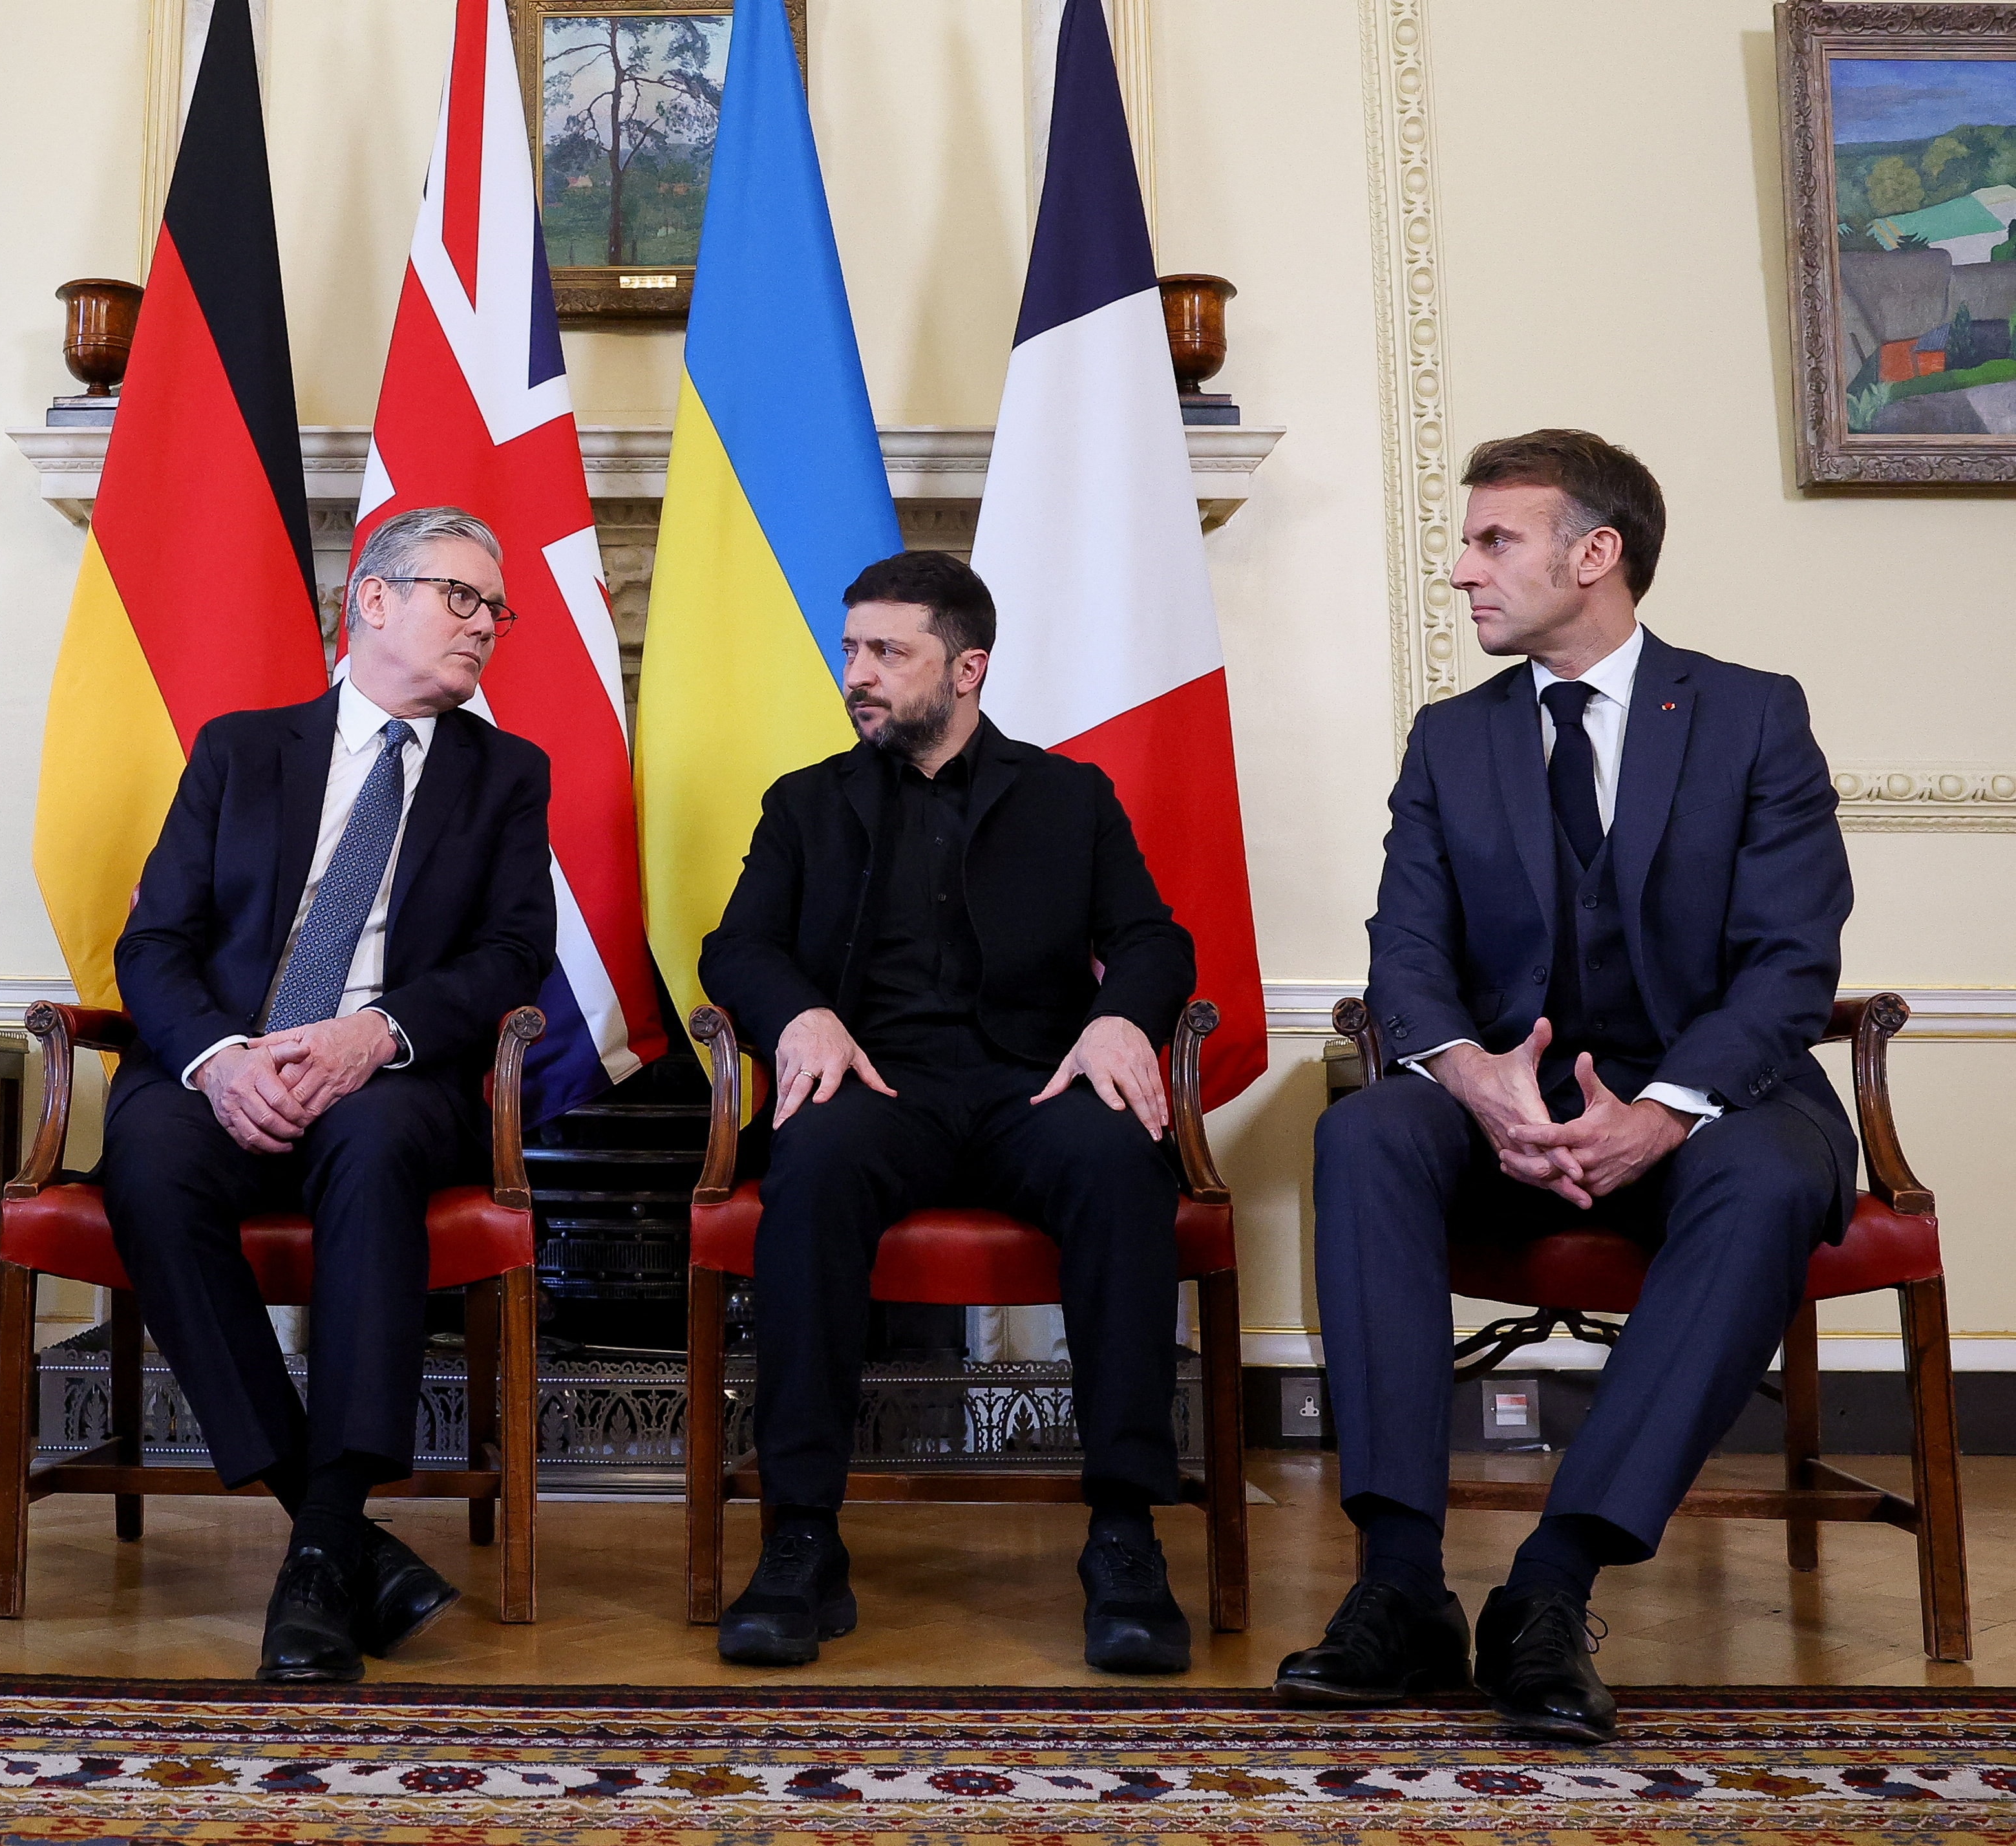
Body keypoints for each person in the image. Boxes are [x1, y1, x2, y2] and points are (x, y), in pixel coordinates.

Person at [1276, 431, 1856, 1744]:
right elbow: (1407, 958)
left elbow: (1788, 964)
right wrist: (1479, 1087)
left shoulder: (1749, 715)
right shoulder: (1450, 739)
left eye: (1494, 542)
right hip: (1506, 1110)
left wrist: (1661, 1116)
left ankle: (1550, 1588)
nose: (1461, 570)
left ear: (1595, 556)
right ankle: (1399, 1587)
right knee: (1368, 1133)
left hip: (1714, 1103)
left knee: (1769, 1174)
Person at [696, 550, 1199, 1673]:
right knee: (811, 1167)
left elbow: (1156, 939)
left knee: (1124, 1165)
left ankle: (1123, 1530)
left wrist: (1124, 1020)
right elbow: (736, 946)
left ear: (966, 668)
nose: (857, 675)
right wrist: (801, 1019)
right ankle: (802, 1537)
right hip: (877, 1085)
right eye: (850, 650)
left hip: (1036, 1084)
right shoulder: (806, 801)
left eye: (887, 652)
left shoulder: (1071, 798)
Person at [101, 505, 556, 1684]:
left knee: (373, 1143)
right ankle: (335, 1530)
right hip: (225, 1064)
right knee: (145, 1157)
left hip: (388, 1073)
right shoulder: (243, 749)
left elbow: (512, 957)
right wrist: (221, 1056)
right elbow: (153, 944)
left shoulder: (507, 774)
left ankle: (321, 1538)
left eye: (496, 609)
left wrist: (377, 1031)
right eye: (461, 597)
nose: (486, 626)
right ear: (372, 600)